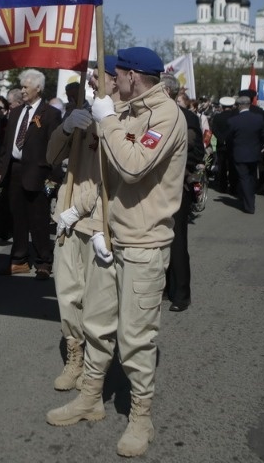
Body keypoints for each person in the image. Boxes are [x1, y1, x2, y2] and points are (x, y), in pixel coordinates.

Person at [46, 47, 187, 458]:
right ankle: (90, 397)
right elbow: (105, 177)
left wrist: (107, 118)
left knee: (135, 337)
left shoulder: (165, 116)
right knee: (97, 322)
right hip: (111, 236)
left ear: (132, 76)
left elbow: (132, 167)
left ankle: (141, 416)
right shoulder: (122, 111)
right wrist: (89, 215)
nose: (109, 82)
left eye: (116, 75)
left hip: (145, 243)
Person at [45, 56, 116, 390]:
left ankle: (94, 366)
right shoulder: (82, 112)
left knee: (97, 304)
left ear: (117, 80)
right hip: (69, 219)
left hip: (99, 221)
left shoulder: (122, 119)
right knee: (67, 294)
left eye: (98, 77)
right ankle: (74, 355)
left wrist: (81, 207)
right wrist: (65, 127)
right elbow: (51, 158)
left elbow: (114, 178)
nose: (90, 83)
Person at [0, 69, 62, 279]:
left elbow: (56, 149)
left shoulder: (51, 114)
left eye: (25, 87)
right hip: (15, 170)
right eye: (22, 86)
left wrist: (52, 181)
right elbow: (7, 145)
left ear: (38, 88)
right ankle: (19, 259)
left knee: (39, 220)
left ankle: (43, 261)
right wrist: (2, 170)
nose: (22, 91)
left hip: (39, 174)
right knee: (17, 219)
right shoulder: (16, 112)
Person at [162, 73, 204, 313]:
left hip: (178, 185)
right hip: (156, 187)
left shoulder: (187, 117)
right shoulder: (153, 115)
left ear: (167, 92)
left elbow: (197, 151)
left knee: (177, 241)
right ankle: (165, 288)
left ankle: (182, 294)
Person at [226, 95, 264, 214]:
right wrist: (262, 146)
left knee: (244, 178)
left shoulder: (233, 121)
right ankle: (250, 199)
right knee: (252, 177)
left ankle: (249, 205)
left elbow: (228, 138)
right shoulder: (258, 118)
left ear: (239, 106)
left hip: (239, 154)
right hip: (254, 153)